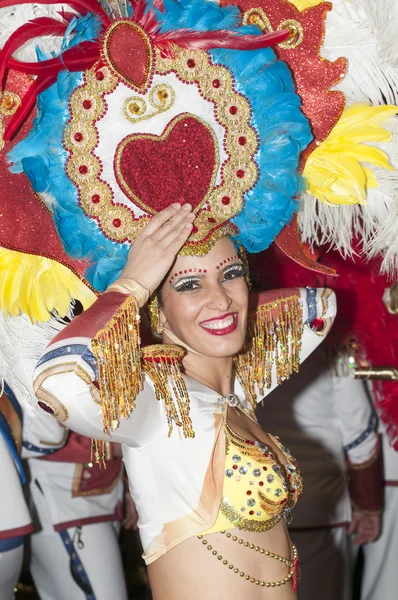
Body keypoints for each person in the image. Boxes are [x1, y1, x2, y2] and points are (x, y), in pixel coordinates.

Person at [33, 201, 336, 600]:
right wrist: (132, 284)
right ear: (155, 309)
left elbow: (319, 309)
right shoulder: (159, 403)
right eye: (190, 285)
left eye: (231, 275)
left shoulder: (235, 395)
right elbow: (57, 385)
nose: (221, 300)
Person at [260, 346, 382, 600]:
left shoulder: (226, 339)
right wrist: (367, 504)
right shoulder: (331, 342)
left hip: (252, 507)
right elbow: (359, 432)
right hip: (320, 506)